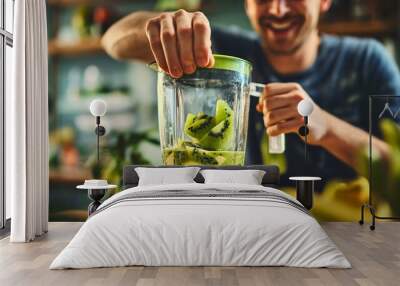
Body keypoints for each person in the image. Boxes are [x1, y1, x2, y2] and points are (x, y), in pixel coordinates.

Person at [101, 0, 400, 186]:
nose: (277, 9)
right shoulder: (219, 51)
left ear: (324, 1)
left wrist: (326, 127)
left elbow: (396, 170)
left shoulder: (367, 61)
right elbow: (113, 40)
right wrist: (160, 27)